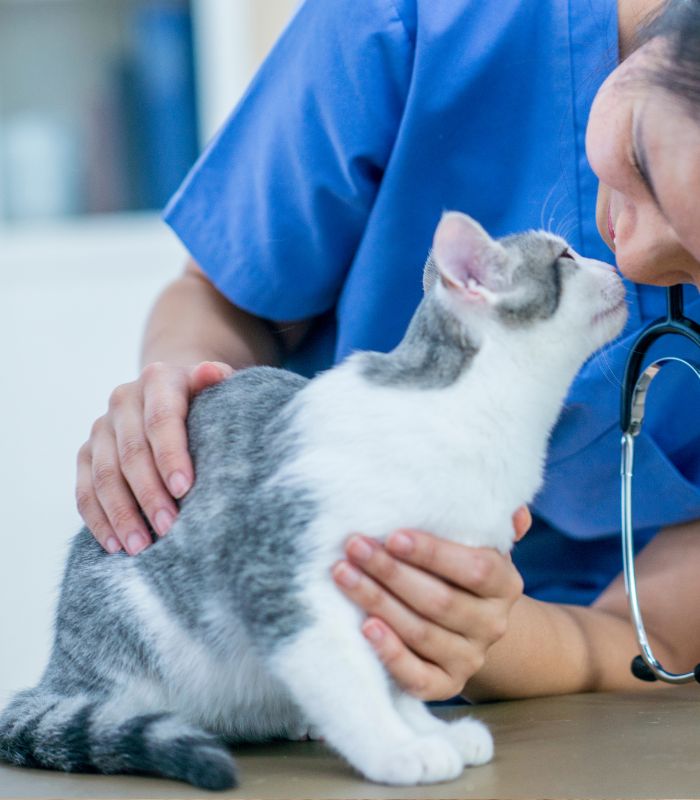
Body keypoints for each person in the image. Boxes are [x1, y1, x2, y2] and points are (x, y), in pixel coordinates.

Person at [75, 0, 700, 701]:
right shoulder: (412, 21)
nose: (637, 256)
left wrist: (471, 626)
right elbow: (222, 298)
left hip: (584, 693)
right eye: (643, 157)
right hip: (290, 600)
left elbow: (654, 640)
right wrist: (188, 400)